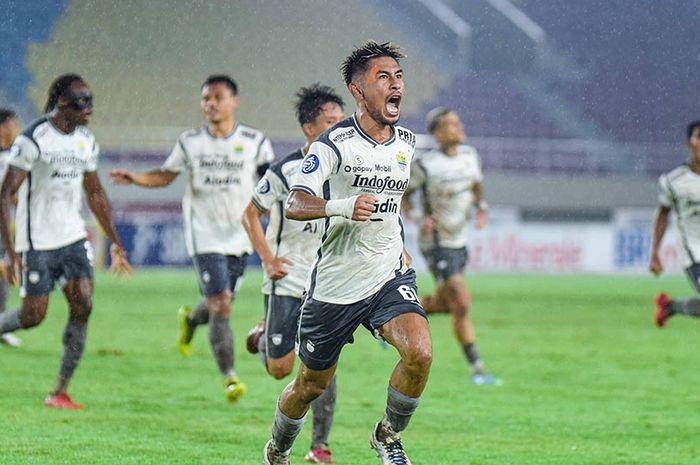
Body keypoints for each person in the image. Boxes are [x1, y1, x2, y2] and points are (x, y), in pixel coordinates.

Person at [263, 41, 431, 465]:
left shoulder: (407, 143)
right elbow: (295, 203)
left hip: (388, 275)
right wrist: (341, 205)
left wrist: (402, 247)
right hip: (336, 286)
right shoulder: (332, 145)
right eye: (383, 78)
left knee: (420, 352)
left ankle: (388, 436)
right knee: (309, 385)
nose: (395, 85)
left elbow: (391, 207)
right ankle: (277, 451)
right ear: (358, 91)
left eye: (398, 77)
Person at [110, 75, 274, 402]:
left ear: (233, 102)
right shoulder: (190, 142)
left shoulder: (255, 142)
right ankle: (230, 377)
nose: (210, 104)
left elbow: (271, 185)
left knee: (219, 302)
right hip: (204, 234)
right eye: (205, 99)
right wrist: (136, 178)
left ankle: (190, 320)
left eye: (217, 97)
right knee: (222, 304)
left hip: (241, 236)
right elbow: (164, 175)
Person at [0, 74, 133, 409]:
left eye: (90, 101)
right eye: (81, 101)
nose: (88, 108)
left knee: (84, 303)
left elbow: (95, 192)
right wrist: (12, 253)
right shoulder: (34, 139)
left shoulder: (85, 141)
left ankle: (59, 390)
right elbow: (5, 195)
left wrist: (116, 242)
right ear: (61, 101)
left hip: (72, 237)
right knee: (33, 317)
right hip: (37, 242)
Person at [242, 84, 345, 464]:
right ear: (309, 128)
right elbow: (250, 214)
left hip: (328, 282)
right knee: (279, 369)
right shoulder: (284, 170)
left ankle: (319, 447)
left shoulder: (345, 168)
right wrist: (268, 258)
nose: (338, 129)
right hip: (285, 277)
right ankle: (263, 335)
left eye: (341, 122)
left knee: (322, 366)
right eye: (331, 122)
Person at [402, 107, 499, 386]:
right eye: (450, 124)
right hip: (437, 243)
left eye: (458, 122)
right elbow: (405, 197)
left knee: (445, 303)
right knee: (462, 301)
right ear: (437, 132)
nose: (457, 127)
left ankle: (387, 314)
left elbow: (477, 186)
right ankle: (478, 367)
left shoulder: (470, 156)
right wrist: (420, 218)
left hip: (460, 240)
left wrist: (481, 208)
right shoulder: (425, 165)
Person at [651, 120, 700, 327]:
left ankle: (670, 306)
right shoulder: (674, 180)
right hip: (693, 251)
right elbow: (663, 214)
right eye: (699, 138)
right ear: (690, 143)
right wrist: (655, 253)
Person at [0, 108, 21, 347]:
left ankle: (2, 325)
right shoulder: (8, 159)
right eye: (14, 125)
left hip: (3, 226)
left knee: (4, 273)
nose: (17, 129)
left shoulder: (12, 155)